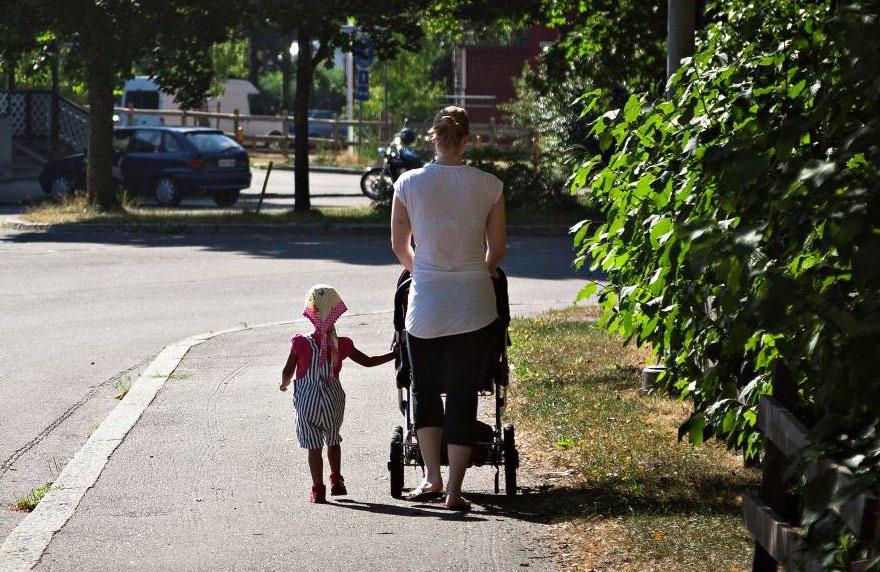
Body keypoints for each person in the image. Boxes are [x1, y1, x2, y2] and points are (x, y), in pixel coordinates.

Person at [390, 106, 507, 511]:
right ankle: (456, 491)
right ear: (467, 140)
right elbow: (497, 250)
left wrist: (422, 270)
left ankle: (430, 478)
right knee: (461, 394)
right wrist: (479, 271)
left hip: (425, 307)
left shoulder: (408, 183)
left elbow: (399, 244)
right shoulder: (489, 185)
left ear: (432, 138)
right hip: (474, 304)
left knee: (424, 390)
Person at [280, 285, 394, 504]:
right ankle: (336, 480)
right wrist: (394, 354)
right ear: (336, 313)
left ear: (310, 314)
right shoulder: (342, 344)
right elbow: (369, 361)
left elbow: (288, 371)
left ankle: (318, 489)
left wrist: (284, 384)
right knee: (333, 440)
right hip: (333, 400)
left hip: (307, 401)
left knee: (313, 446)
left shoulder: (300, 343)